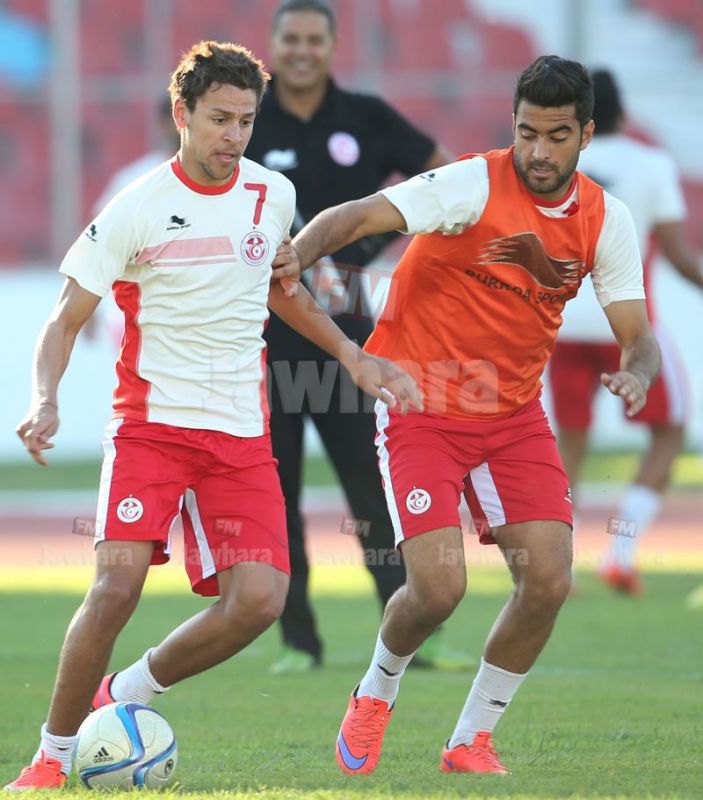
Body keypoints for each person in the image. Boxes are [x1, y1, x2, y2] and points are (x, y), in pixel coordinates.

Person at [5, 40, 421, 791]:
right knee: (115, 590)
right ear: (182, 114)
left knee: (258, 602)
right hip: (151, 429)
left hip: (239, 435)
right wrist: (45, 398)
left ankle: (125, 692)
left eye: (245, 121)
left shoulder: (272, 195)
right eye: (219, 119)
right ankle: (51, 756)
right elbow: (64, 320)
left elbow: (282, 289)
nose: (234, 136)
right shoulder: (135, 208)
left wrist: (351, 356)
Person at [280, 55, 660, 775]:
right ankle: (375, 691)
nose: (538, 151)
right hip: (419, 405)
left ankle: (470, 740)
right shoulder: (469, 183)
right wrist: (294, 257)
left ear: (585, 135)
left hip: (513, 416)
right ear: (511, 125)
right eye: (526, 133)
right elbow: (354, 216)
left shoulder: (605, 218)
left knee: (548, 582)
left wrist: (636, 373)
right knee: (437, 590)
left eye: (556, 136)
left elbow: (638, 336)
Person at [244, 0, 464, 674]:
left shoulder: (365, 117)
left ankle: (411, 638)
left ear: (332, 45)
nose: (302, 50)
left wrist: (371, 246)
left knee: (371, 491)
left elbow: (446, 179)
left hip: (350, 344)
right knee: (276, 494)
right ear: (273, 44)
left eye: (314, 39)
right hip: (261, 342)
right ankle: (298, 643)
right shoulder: (246, 120)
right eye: (291, 38)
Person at [549, 69, 703, 595]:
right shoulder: (651, 164)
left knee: (570, 443)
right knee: (670, 431)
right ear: (624, 112)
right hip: (628, 325)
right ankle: (621, 548)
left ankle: (555, 562)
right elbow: (678, 255)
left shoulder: (558, 162)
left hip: (563, 322)